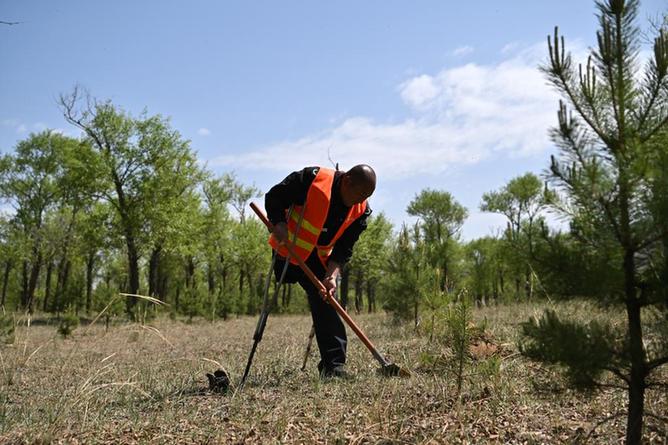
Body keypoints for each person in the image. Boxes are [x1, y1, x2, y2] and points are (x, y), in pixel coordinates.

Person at [265, 164, 376, 378]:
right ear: (347, 181)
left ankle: (333, 366)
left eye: (367, 196)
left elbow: (345, 248)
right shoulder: (311, 179)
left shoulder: (361, 210)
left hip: (318, 259)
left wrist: (331, 276)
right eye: (360, 194)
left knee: (326, 300)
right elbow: (274, 196)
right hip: (289, 248)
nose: (361, 201)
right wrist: (278, 224)